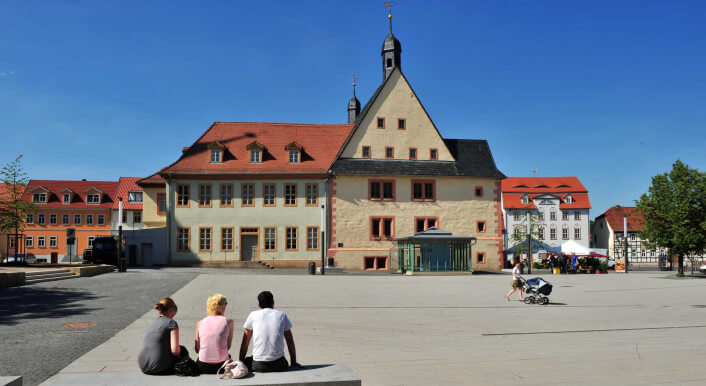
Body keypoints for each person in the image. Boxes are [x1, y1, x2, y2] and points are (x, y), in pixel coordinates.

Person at [239, 291, 300, 372]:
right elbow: (290, 341)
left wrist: (241, 363)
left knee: (248, 360)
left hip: (258, 365)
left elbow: (245, 343)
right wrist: (293, 362)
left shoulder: (253, 315)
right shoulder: (282, 315)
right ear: (273, 303)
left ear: (259, 305)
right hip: (279, 364)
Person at [138, 298, 188, 374]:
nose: (173, 317)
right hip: (159, 367)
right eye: (174, 313)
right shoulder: (171, 323)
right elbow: (175, 350)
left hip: (142, 366)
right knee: (182, 350)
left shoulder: (152, 322)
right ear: (171, 310)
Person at [195, 293, 235, 374]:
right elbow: (228, 346)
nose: (226, 305)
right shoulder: (229, 322)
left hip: (203, 365)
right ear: (221, 306)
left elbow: (197, 349)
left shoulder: (200, 323)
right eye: (225, 303)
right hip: (222, 366)